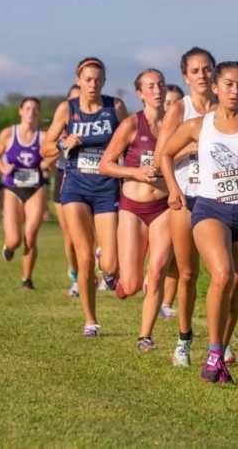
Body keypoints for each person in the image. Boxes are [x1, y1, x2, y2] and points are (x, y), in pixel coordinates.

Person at [161, 61, 238, 383]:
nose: (235, 90)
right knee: (222, 274)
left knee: (234, 291)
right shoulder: (198, 125)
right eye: (228, 84)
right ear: (215, 87)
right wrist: (174, 189)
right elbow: (165, 154)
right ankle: (214, 353)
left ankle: (220, 350)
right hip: (210, 209)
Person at [40, 57, 129, 337]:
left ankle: (108, 265)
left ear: (104, 82)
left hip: (106, 188)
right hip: (75, 187)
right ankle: (91, 321)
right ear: (78, 80)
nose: (93, 85)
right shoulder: (67, 109)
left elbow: (130, 142)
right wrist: (62, 143)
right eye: (88, 80)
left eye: (98, 80)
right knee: (85, 258)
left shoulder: (115, 107)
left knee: (110, 263)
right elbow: (45, 149)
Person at [99, 68, 172, 352]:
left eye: (161, 84)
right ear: (140, 93)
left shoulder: (176, 124)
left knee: (157, 271)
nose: (157, 90)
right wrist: (135, 172)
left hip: (164, 207)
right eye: (150, 86)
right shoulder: (131, 124)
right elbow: (106, 164)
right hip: (133, 208)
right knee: (130, 285)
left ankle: (145, 336)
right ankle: (111, 269)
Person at [154, 46, 217, 366]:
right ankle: (183, 339)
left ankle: (221, 342)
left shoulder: (227, 105)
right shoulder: (180, 109)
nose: (202, 75)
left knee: (223, 275)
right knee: (188, 274)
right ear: (185, 77)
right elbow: (160, 158)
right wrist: (193, 145)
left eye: (207, 69)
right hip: (186, 197)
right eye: (195, 71)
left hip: (219, 198)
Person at [0, 98, 47, 290]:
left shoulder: (43, 136)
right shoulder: (8, 133)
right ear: (20, 111)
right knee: (15, 239)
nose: (31, 112)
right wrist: (2, 167)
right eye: (28, 108)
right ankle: (9, 245)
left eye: (35, 109)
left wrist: (46, 164)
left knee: (30, 236)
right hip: (13, 188)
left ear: (39, 113)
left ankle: (27, 279)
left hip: (36, 188)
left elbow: (53, 155)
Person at [156, 84, 186, 320]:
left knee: (176, 253)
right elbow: (158, 160)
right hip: (154, 197)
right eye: (168, 103)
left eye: (175, 103)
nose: (171, 107)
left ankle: (166, 302)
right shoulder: (152, 128)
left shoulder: (190, 126)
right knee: (160, 253)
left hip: (179, 196)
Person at [52, 84, 82, 298]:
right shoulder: (63, 120)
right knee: (70, 236)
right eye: (74, 99)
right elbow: (45, 153)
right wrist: (62, 143)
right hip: (65, 177)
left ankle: (101, 271)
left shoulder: (102, 119)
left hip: (94, 177)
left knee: (94, 234)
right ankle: (76, 277)